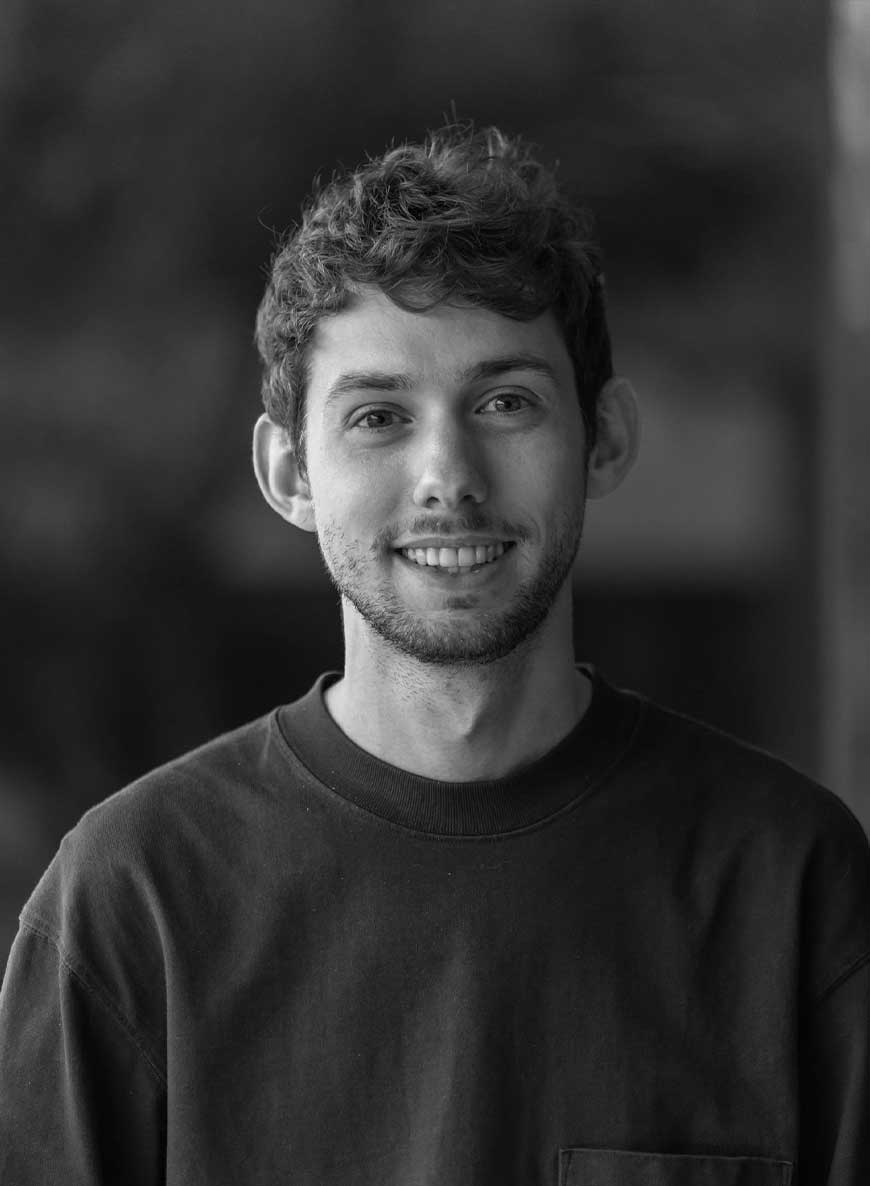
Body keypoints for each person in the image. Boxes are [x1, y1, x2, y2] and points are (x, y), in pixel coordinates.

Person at [0, 124, 867, 1185]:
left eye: (506, 403)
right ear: (288, 471)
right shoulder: (134, 903)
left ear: (604, 439)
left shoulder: (790, 886)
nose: (446, 474)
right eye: (377, 416)